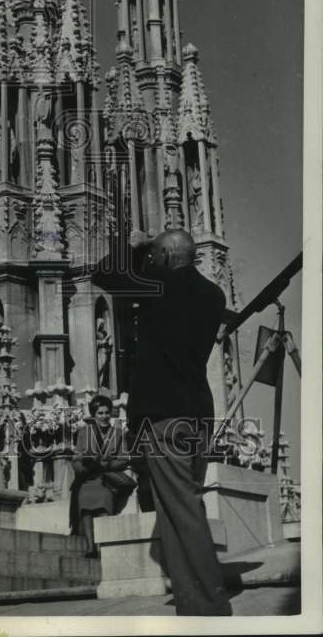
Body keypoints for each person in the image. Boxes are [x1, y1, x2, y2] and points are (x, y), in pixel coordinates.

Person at [127, 228, 232, 616]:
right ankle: (191, 599)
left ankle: (210, 604)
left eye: (156, 256)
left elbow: (106, 274)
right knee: (177, 508)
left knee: (183, 508)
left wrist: (135, 247)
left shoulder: (157, 286)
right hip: (199, 413)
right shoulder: (213, 294)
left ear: (167, 258)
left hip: (165, 416)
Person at [70, 394, 134, 557]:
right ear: (94, 415)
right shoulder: (85, 432)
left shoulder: (118, 433)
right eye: (100, 413)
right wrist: (83, 469)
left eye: (107, 412)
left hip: (107, 479)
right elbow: (76, 459)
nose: (104, 416)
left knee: (104, 501)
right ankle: (90, 547)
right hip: (89, 478)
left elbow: (124, 458)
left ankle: (103, 546)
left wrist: (108, 465)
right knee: (84, 499)